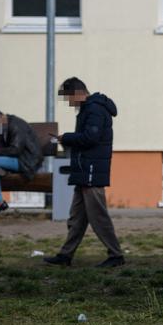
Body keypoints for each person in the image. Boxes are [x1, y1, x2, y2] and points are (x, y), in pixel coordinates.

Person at [43, 78, 125, 268]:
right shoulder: (89, 109)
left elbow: (91, 138)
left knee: (98, 216)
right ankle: (65, 255)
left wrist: (66, 138)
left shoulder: (94, 109)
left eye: (68, 98)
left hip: (91, 171)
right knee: (77, 218)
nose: (69, 103)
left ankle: (116, 255)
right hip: (84, 170)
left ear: (77, 93)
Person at [0, 109, 45, 220]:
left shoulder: (16, 125)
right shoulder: (5, 125)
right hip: (18, 159)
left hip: (26, 162)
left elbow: (16, 149)